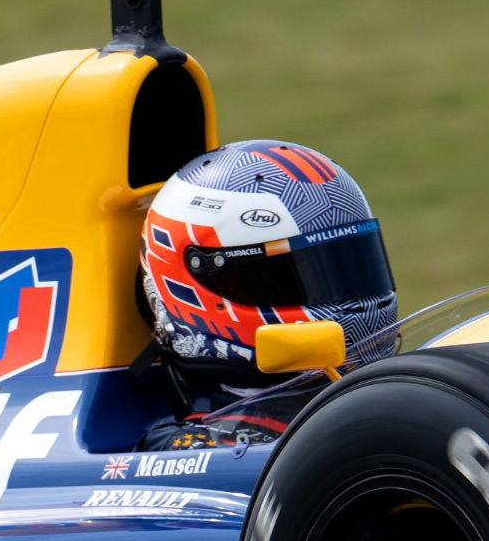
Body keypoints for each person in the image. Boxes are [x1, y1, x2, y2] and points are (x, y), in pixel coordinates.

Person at [135, 140, 397, 449]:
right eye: (287, 278)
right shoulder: (190, 448)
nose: (354, 305)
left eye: (351, 265)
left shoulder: (401, 389)